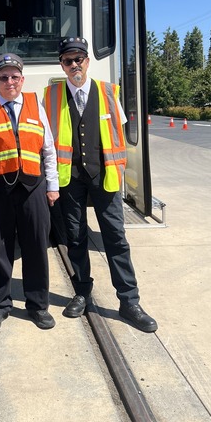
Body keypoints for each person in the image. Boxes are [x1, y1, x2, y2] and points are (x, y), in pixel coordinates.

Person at [43, 37, 157, 333]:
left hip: (104, 177)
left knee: (115, 238)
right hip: (70, 179)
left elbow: (118, 132)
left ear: (87, 62)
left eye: (78, 59)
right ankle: (82, 293)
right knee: (76, 238)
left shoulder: (108, 92)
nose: (74, 65)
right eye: (68, 61)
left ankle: (129, 301)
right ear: (62, 65)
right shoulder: (50, 96)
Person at [0, 53, 60, 331]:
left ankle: (37, 305)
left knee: (36, 247)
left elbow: (48, 148)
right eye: (3, 77)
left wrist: (53, 185)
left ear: (22, 80)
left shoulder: (36, 105)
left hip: (33, 188)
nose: (10, 81)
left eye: (14, 77)